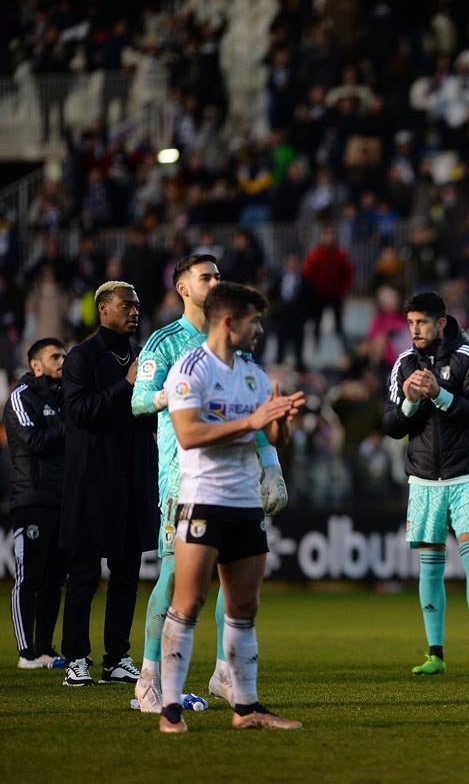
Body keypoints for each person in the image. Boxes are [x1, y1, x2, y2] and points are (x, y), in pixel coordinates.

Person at [129, 255, 291, 713]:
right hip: (182, 478)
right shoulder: (166, 344)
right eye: (206, 277)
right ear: (183, 288)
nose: (216, 281)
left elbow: (254, 412)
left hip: (235, 481)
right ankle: (149, 680)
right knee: (177, 578)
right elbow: (139, 401)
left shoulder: (236, 347)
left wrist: (270, 464)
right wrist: (182, 395)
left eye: (217, 275)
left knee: (236, 580)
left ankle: (224, 673)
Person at [158, 282, 306, 732]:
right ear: (229, 322)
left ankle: (246, 708)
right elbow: (188, 434)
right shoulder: (190, 370)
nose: (259, 329)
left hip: (245, 502)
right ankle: (169, 711)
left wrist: (281, 424)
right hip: (203, 500)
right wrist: (253, 421)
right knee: (189, 602)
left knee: (244, 608)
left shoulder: (253, 374)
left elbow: (267, 434)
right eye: (253, 321)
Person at [382, 291, 469, 676]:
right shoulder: (403, 364)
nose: (414, 330)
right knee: (430, 566)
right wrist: (409, 402)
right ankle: (435, 654)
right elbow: (391, 425)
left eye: (421, 323)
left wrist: (440, 393)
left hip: (466, 473)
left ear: (441, 324)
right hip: (423, 478)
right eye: (411, 323)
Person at [59, 281, 158, 687]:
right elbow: (80, 412)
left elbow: (146, 416)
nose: (134, 311)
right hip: (92, 481)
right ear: (103, 309)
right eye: (126, 305)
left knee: (126, 575)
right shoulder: (82, 357)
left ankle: (117, 657)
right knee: (83, 575)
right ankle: (76, 659)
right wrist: (128, 385)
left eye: (137, 305)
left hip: (133, 479)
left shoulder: (140, 356)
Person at [4, 337, 68, 669]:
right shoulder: (20, 397)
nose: (62, 361)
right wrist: (69, 424)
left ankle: (45, 649)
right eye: (55, 356)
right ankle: (26, 652)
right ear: (36, 365)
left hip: (62, 500)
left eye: (64, 356)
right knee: (28, 577)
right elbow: (34, 441)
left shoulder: (65, 398)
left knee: (54, 579)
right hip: (31, 499)